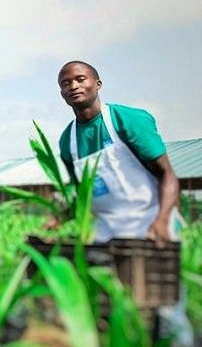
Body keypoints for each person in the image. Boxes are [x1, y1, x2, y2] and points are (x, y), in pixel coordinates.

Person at [56, 61, 180, 245]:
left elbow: (167, 175)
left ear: (98, 84)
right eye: (65, 83)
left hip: (152, 227)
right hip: (105, 235)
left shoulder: (128, 120)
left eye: (80, 79)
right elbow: (81, 195)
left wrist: (162, 220)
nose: (74, 86)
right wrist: (58, 218)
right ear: (62, 94)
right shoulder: (68, 140)